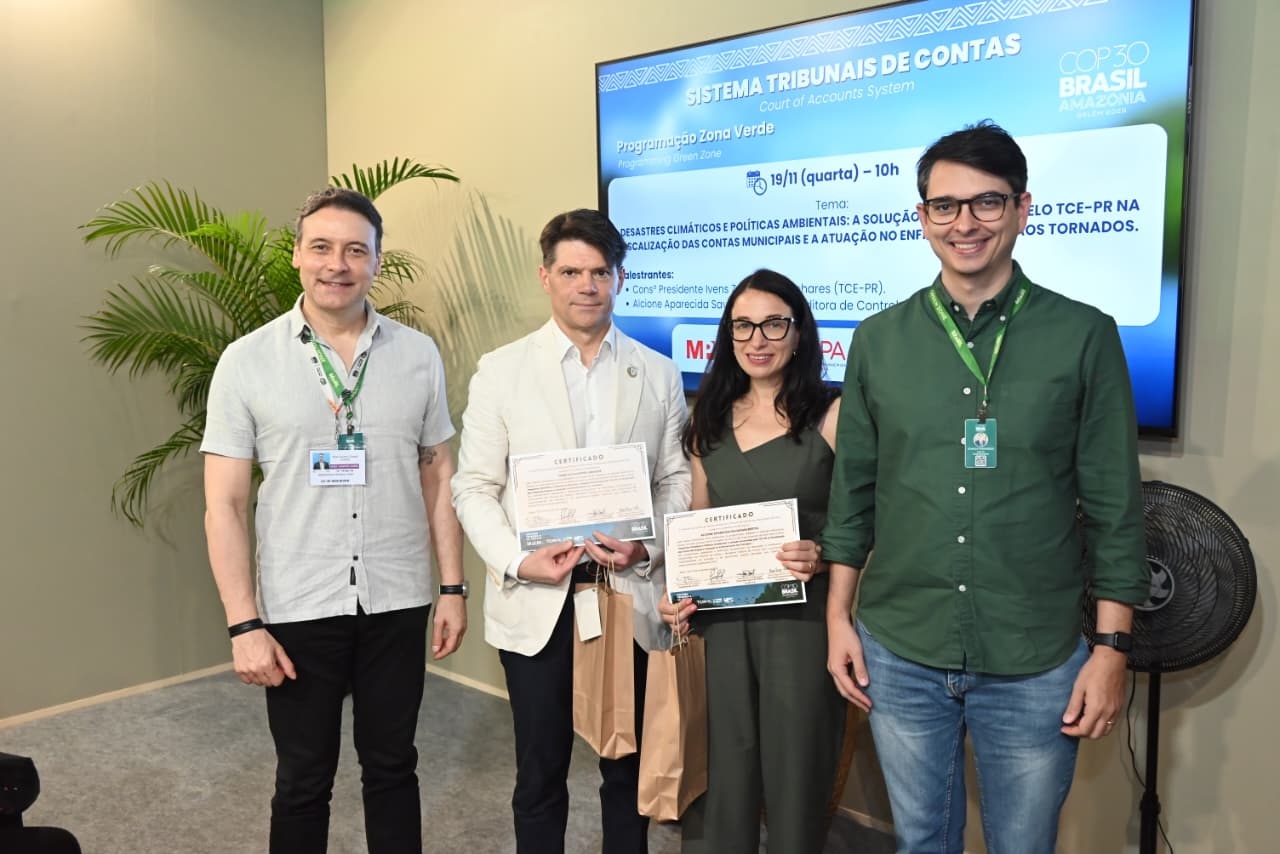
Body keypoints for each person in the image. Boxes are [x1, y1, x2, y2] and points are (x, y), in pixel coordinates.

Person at [823, 120, 1150, 853]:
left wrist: (1111, 650)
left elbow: (1115, 508)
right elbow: (854, 495)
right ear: (922, 217)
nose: (964, 223)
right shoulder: (879, 339)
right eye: (945, 205)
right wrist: (839, 619)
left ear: (1023, 208)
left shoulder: (1084, 335)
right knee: (920, 843)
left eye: (987, 203)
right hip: (900, 645)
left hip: (1033, 654)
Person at [201, 187, 467, 854]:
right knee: (302, 778)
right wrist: (244, 624)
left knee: (392, 767)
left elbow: (438, 471)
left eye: (356, 250)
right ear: (297, 256)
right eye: (321, 247)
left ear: (377, 263)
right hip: (298, 602)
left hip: (396, 596)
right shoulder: (246, 362)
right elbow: (224, 504)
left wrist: (454, 587)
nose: (337, 264)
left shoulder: (417, 355)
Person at [451, 209, 691, 854]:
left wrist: (650, 545)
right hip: (539, 599)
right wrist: (517, 562)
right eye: (571, 271)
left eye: (600, 272)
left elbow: (675, 480)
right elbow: (472, 487)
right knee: (540, 770)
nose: (587, 285)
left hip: (627, 594)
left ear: (619, 277)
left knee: (626, 770)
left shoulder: (657, 371)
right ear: (546, 277)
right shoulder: (500, 371)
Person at [659, 269, 846, 854]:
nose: (757, 339)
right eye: (743, 325)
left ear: (799, 332)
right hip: (721, 625)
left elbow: (861, 521)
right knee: (723, 774)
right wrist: (678, 593)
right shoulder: (706, 423)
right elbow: (697, 521)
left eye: (773, 323)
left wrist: (823, 550)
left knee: (797, 773)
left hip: (803, 622)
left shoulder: (833, 415)